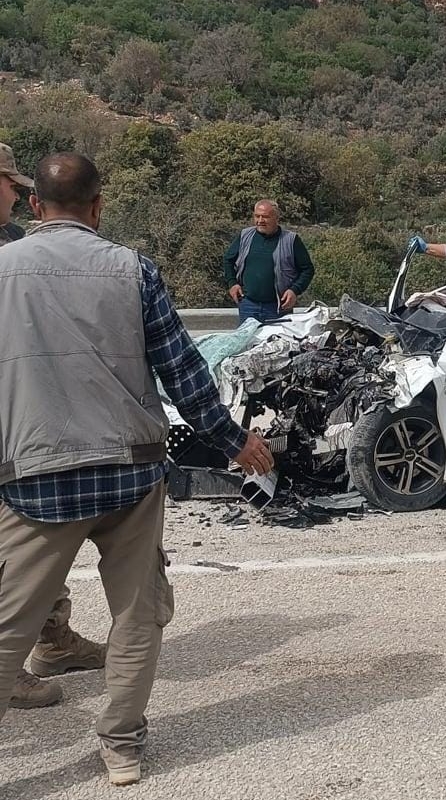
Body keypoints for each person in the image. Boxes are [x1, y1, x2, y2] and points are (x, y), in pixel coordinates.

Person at [0, 153, 275, 786]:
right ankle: (121, 745)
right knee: (137, 614)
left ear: (35, 207)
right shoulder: (133, 269)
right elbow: (183, 371)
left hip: (34, 474)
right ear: (97, 208)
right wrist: (234, 441)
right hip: (129, 472)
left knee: (10, 623)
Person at [1, 142, 108, 712]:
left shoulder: (14, 246)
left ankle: (52, 639)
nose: (18, 194)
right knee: (14, 557)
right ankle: (10, 665)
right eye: (9, 183)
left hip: (29, 426)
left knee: (38, 548)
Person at [223, 199, 315, 325]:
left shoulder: (291, 240)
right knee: (250, 344)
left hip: (278, 307)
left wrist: (295, 290)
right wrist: (232, 283)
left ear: (277, 218)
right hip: (248, 306)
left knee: (278, 344)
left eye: (265, 217)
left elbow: (307, 269)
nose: (260, 221)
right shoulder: (245, 235)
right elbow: (228, 260)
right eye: (257, 216)